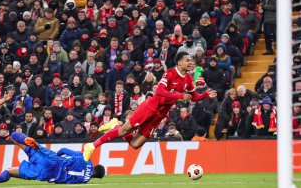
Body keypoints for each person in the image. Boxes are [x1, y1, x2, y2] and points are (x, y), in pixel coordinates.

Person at [83, 52, 217, 161]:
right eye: (187, 60)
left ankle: (114, 125)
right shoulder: (170, 73)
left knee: (135, 145)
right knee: (124, 131)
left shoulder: (188, 79)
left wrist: (205, 94)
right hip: (150, 108)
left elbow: (194, 97)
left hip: (159, 115)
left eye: (191, 60)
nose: (190, 63)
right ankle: (92, 146)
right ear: (179, 62)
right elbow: (159, 91)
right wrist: (179, 96)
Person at [0, 132, 105, 186]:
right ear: (96, 177)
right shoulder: (84, 181)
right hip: (47, 174)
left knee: (15, 136)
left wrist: (55, 159)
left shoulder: (86, 158)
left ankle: (23, 141)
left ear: (96, 165)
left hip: (52, 160)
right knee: (10, 171)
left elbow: (64, 150)